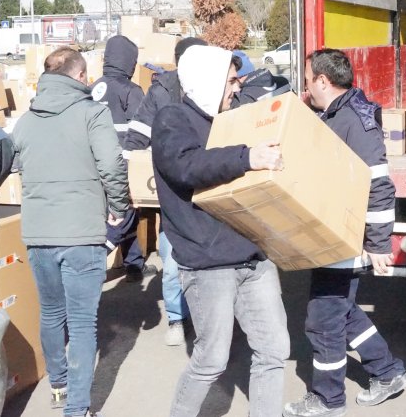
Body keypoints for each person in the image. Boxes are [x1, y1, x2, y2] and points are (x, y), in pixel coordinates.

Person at [151, 44, 289, 417]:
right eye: (230, 80)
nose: (237, 86)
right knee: (211, 360)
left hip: (253, 254)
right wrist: (247, 157)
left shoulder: (231, 120)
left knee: (274, 350)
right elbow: (187, 166)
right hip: (208, 261)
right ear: (208, 81)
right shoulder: (172, 120)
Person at [283, 49, 406, 417]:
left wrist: (377, 243)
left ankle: (327, 399)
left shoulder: (356, 120)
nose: (305, 87)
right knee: (343, 309)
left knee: (323, 320)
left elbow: (380, 184)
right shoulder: (335, 114)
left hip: (346, 237)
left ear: (323, 81)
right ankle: (387, 372)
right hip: (334, 231)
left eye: (307, 80)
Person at [13, 47, 130, 417]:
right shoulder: (93, 113)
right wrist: (119, 206)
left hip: (39, 234)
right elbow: (111, 162)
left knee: (51, 314)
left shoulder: (25, 120)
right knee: (81, 324)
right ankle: (76, 409)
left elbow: (17, 165)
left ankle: (60, 389)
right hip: (81, 233)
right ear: (80, 77)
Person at [124, 36, 206, 346]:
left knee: (209, 265)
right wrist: (133, 163)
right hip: (172, 194)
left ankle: (208, 322)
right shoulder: (161, 91)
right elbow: (138, 134)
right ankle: (176, 317)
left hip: (208, 187)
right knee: (172, 263)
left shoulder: (214, 88)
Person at [91, 34, 156, 283]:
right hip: (121, 164)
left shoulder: (93, 87)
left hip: (94, 164)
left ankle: (133, 265)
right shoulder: (131, 90)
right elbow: (141, 130)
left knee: (124, 214)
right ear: (130, 62)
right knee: (123, 214)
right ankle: (94, 265)